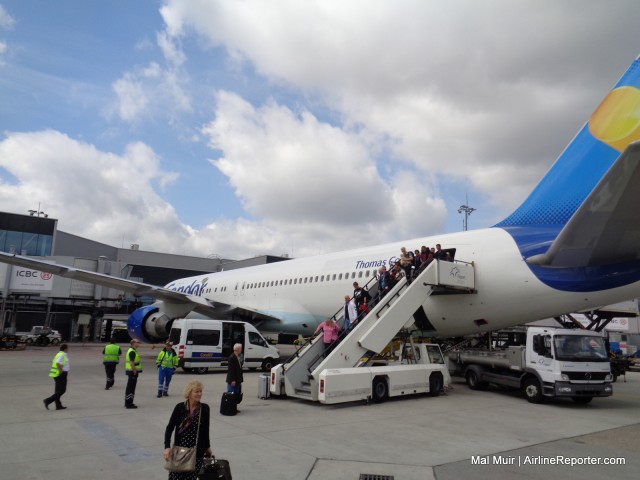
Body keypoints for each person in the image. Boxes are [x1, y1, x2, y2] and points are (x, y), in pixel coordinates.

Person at [163, 380, 212, 479]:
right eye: (196, 391)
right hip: (180, 451)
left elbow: (205, 430)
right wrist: (167, 447)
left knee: (191, 477)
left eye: (200, 391)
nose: (199, 394)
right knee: (176, 477)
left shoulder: (204, 408)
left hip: (196, 452)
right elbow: (170, 428)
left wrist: (207, 447)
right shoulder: (180, 407)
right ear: (189, 393)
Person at [44, 344, 69, 410]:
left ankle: (58, 405)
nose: (68, 350)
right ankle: (48, 400)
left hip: (56, 374)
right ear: (65, 349)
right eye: (67, 348)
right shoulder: (62, 354)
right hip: (61, 374)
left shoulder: (58, 354)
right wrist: (61, 371)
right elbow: (58, 363)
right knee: (62, 390)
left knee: (57, 391)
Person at [125, 339, 143, 409]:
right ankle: (129, 404)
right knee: (131, 388)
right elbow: (132, 362)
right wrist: (134, 370)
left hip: (132, 372)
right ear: (133, 343)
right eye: (138, 342)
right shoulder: (132, 352)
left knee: (131, 388)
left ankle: (128, 402)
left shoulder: (133, 350)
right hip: (132, 372)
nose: (139, 343)